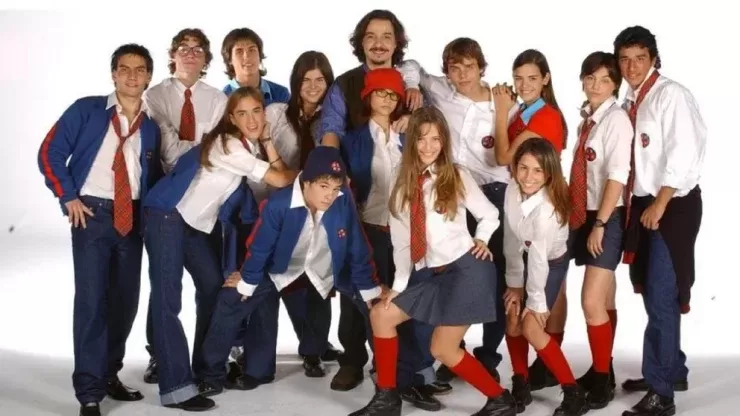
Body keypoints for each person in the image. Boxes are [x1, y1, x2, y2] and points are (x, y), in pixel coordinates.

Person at [351, 107, 517, 416]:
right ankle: (387, 400)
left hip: (467, 271)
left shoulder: (456, 175)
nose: (428, 146)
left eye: (436, 139)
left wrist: (481, 238)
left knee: (443, 348)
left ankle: (500, 400)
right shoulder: (400, 182)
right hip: (434, 274)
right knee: (382, 316)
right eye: (422, 139)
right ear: (412, 141)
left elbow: (490, 214)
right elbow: (401, 242)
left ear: (444, 142)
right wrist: (399, 287)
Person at [142, 86, 296, 411]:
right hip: (166, 215)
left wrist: (268, 141)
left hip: (194, 226)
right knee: (168, 300)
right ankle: (175, 389)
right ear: (231, 118)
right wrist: (319, 175)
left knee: (213, 289)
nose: (251, 119)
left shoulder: (248, 147)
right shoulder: (228, 144)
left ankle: (204, 373)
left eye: (257, 111)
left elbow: (275, 180)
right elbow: (281, 180)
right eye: (242, 113)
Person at [196, 146, 384, 396]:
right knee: (231, 299)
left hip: (326, 268)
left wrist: (369, 289)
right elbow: (259, 247)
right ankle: (212, 375)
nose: (330, 195)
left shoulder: (342, 199)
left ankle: (389, 377)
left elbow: (357, 246)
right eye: (323, 186)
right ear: (306, 182)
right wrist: (247, 281)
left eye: (335, 188)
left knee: (377, 307)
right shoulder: (278, 204)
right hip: (280, 268)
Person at [37, 44, 161, 416]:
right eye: (124, 69)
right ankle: (89, 393)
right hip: (91, 215)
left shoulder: (151, 125)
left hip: (132, 218)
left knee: (125, 303)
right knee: (92, 303)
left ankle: (109, 374)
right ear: (113, 74)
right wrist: (68, 196)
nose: (132, 76)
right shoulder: (86, 110)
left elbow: (151, 174)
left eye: (140, 70)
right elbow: (49, 152)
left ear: (148, 77)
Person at [400, 36, 516, 387]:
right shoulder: (442, 90)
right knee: (447, 272)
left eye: (469, 66)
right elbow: (411, 65)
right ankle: (453, 350)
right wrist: (412, 86)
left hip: (491, 194)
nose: (462, 74)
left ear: (481, 67)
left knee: (491, 278)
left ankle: (489, 356)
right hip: (446, 188)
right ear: (447, 71)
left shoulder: (502, 103)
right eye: (454, 67)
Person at [614, 26, 706, 416]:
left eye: (640, 58)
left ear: (653, 58)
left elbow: (685, 154)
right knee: (654, 295)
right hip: (643, 204)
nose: (632, 66)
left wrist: (661, 202)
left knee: (662, 293)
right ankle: (672, 369)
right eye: (625, 59)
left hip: (673, 204)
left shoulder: (672, 96)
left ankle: (661, 393)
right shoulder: (631, 99)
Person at [141, 27, 227, 385]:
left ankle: (205, 360)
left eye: (198, 49)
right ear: (172, 55)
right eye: (183, 48)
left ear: (206, 58)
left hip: (204, 206)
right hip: (167, 204)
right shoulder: (154, 95)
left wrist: (206, 149)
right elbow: (169, 153)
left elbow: (222, 151)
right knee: (166, 286)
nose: (191, 54)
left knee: (211, 283)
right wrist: (205, 148)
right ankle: (160, 356)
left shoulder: (217, 99)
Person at [491, 48, 569, 390]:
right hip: (522, 208)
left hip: (545, 211)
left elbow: (503, 156)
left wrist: (500, 111)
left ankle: (557, 374)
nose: (524, 85)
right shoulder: (522, 112)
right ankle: (524, 378)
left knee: (540, 308)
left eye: (533, 78)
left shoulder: (545, 117)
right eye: (518, 78)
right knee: (518, 309)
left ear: (546, 79)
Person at [502, 138, 588, 415]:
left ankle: (573, 393)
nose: (528, 177)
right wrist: (515, 284)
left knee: (531, 326)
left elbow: (540, 260)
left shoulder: (547, 210)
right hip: (526, 256)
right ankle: (521, 383)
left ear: (549, 173)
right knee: (512, 313)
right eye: (523, 167)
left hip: (551, 263)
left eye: (538, 170)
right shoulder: (512, 189)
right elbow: (510, 236)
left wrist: (537, 303)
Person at [568, 51, 632, 409]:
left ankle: (602, 380)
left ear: (615, 85)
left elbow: (617, 176)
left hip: (606, 215)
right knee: (605, 300)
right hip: (586, 211)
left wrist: (600, 224)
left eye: (605, 79)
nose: (595, 85)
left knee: (590, 301)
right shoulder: (589, 120)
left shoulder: (616, 120)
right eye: (590, 77)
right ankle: (601, 369)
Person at [220, 27, 290, 104]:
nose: (246, 56)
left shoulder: (281, 94)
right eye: (239, 51)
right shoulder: (222, 99)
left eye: (251, 50)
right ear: (229, 59)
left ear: (260, 55)